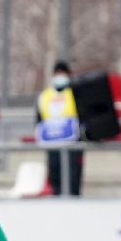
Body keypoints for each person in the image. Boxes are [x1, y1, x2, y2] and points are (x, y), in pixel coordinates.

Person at [36, 60, 83, 196]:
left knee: (73, 178)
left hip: (73, 143)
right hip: (53, 144)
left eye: (63, 73)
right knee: (55, 177)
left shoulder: (76, 93)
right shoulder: (45, 96)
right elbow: (39, 120)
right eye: (58, 73)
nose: (60, 76)